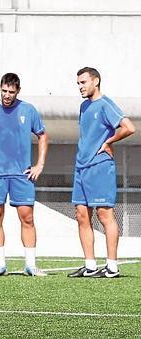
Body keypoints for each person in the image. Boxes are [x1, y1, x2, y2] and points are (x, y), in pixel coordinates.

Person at [0, 73, 49, 277]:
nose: (7, 95)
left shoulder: (28, 110)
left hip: (22, 175)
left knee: (28, 218)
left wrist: (39, 164)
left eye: (11, 92)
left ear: (18, 91)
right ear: (0, 88)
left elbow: (42, 135)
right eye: (4, 91)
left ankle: (31, 265)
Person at [68, 67, 135, 278]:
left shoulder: (105, 104)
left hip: (100, 166)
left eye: (83, 82)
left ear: (95, 81)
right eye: (78, 83)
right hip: (81, 166)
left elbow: (129, 127)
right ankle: (90, 266)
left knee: (104, 215)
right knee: (81, 215)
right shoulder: (83, 106)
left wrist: (109, 141)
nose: (80, 86)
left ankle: (112, 267)